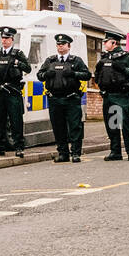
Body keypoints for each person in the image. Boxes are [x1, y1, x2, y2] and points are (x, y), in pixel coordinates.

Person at [36, 33, 91, 163]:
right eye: (58, 44)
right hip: (55, 98)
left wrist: (74, 73)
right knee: (58, 127)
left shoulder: (75, 60)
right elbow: (39, 75)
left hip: (71, 98)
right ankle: (63, 153)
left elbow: (87, 75)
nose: (60, 47)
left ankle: (76, 153)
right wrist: (46, 74)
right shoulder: (50, 60)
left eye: (63, 44)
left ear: (69, 46)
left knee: (74, 127)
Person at [0, 26, 31, 158]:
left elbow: (28, 68)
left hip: (12, 92)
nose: (4, 40)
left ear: (12, 39)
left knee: (16, 121)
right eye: (3, 38)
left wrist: (17, 63)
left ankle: (19, 147)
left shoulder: (17, 54)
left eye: (7, 38)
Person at [93, 32, 129, 161]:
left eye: (106, 42)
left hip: (121, 94)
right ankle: (115, 152)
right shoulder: (104, 58)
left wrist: (123, 69)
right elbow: (97, 75)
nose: (104, 44)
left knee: (125, 124)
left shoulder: (127, 57)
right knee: (112, 124)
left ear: (114, 43)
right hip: (108, 94)